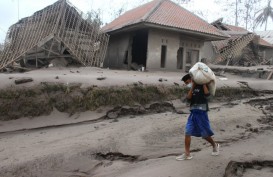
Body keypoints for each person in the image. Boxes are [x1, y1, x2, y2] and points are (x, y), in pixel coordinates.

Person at [176, 73, 219, 160]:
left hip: (202, 113)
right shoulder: (192, 88)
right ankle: (187, 154)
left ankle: (215, 145)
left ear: (191, 79)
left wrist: (203, 84)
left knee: (205, 134)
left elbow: (207, 95)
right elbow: (188, 98)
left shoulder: (202, 85)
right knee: (188, 132)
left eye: (188, 82)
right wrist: (192, 87)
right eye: (186, 83)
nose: (187, 84)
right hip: (193, 113)